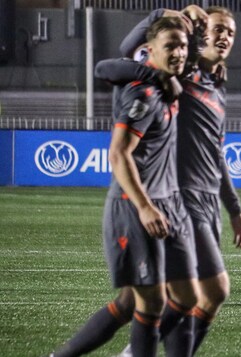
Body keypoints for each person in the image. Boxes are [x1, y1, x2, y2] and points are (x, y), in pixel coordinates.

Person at [99, 5, 241, 355]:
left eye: (230, 30)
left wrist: (234, 208)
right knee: (209, 292)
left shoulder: (216, 85)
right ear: (199, 35)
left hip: (207, 199)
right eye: (216, 28)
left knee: (140, 302)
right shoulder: (181, 75)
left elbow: (217, 154)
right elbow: (120, 58)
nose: (224, 35)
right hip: (179, 198)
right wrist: (161, 12)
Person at [53, 17, 198, 357]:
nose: (178, 52)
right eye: (170, 46)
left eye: (182, 46)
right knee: (150, 302)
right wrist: (145, 206)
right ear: (150, 50)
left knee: (177, 296)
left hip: (167, 203)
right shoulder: (143, 92)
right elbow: (118, 154)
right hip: (136, 206)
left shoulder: (169, 84)